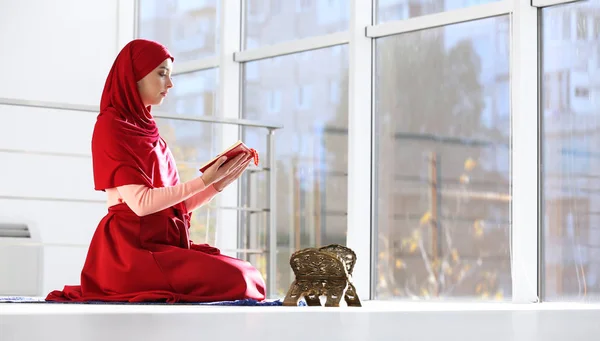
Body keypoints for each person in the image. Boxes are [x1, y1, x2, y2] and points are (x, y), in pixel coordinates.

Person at [45, 39, 266, 303]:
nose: (169, 85)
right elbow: (141, 204)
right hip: (132, 252)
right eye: (162, 74)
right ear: (134, 76)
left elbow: (177, 206)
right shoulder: (111, 126)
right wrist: (203, 180)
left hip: (163, 245)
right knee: (238, 279)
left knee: (249, 273)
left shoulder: (151, 132)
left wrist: (218, 183)